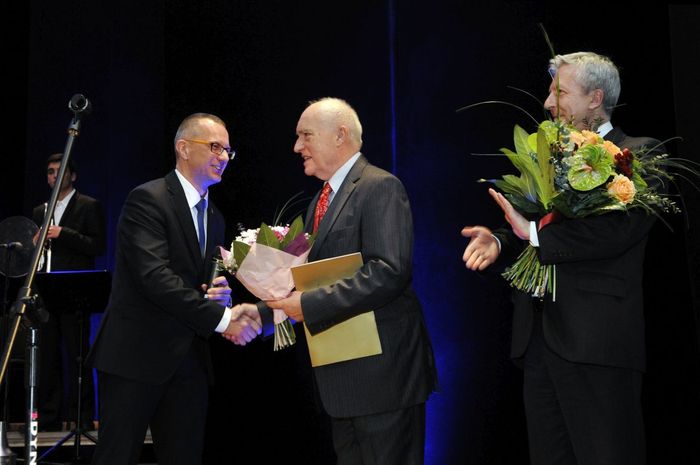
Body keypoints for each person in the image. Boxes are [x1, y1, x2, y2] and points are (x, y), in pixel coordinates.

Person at [462, 52, 660, 465]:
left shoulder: (639, 154)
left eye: (561, 92)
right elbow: (534, 220)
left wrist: (532, 233)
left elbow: (615, 232)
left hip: (596, 344)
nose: (549, 103)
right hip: (539, 341)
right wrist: (500, 240)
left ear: (595, 98)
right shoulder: (548, 155)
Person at [263, 98, 437, 465]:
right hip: (344, 380)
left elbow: (388, 271)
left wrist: (306, 305)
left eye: (305, 135)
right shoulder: (320, 200)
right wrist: (267, 309)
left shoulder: (380, 186)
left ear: (340, 135)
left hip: (383, 380)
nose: (297, 146)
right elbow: (315, 278)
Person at [88, 113, 262, 465]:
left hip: (189, 362)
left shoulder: (215, 216)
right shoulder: (148, 199)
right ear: (183, 148)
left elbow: (195, 284)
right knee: (116, 456)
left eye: (228, 150)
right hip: (135, 358)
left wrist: (219, 297)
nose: (224, 157)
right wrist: (223, 319)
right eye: (215, 147)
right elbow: (155, 278)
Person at [32, 152, 106, 431]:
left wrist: (63, 233)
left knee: (78, 355)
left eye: (60, 171)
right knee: (47, 356)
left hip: (75, 289)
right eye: (50, 172)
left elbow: (97, 245)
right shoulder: (40, 210)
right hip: (47, 288)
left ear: (72, 175)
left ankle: (81, 416)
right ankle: (49, 417)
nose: (54, 176)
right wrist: (35, 242)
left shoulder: (88, 205)